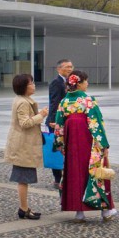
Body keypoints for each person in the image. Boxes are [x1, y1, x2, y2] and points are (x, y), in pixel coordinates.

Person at [54, 69, 117, 222]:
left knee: (75, 173)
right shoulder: (88, 100)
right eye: (86, 81)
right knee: (96, 172)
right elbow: (96, 123)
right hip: (88, 143)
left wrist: (61, 145)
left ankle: (79, 213)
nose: (87, 84)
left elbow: (59, 126)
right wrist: (103, 144)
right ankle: (105, 212)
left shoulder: (64, 102)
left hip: (72, 144)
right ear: (80, 83)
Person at [5, 73, 49, 220]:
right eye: (31, 83)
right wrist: (41, 115)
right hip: (23, 147)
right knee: (23, 179)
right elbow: (25, 123)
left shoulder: (23, 100)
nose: (34, 85)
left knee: (24, 178)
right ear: (24, 86)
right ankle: (23, 209)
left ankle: (24, 207)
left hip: (23, 145)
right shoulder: (23, 102)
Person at [47, 58, 73, 192]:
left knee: (64, 149)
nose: (70, 69)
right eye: (67, 67)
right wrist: (54, 121)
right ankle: (57, 179)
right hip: (56, 122)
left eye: (71, 66)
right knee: (57, 149)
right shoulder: (56, 83)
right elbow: (54, 103)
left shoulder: (69, 82)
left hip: (66, 121)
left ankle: (64, 176)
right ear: (59, 69)